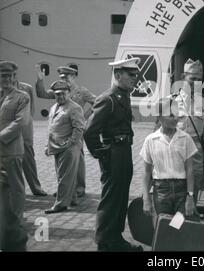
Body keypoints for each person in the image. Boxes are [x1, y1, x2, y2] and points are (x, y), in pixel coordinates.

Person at [84, 57, 143, 252]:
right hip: (114, 153)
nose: (135, 78)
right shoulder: (108, 98)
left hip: (124, 151)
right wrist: (102, 154)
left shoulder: (123, 95)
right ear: (118, 75)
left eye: (136, 74)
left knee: (120, 196)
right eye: (131, 75)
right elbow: (89, 131)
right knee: (111, 198)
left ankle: (115, 238)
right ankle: (105, 240)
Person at [35, 64, 96, 197]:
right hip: (62, 130)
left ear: (74, 76)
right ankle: (64, 188)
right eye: (62, 77)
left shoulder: (82, 91)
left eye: (67, 76)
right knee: (60, 160)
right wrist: (40, 79)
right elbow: (42, 94)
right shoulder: (61, 89)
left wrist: (85, 117)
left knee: (77, 159)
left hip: (75, 130)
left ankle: (79, 188)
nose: (64, 79)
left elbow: (96, 103)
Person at [173, 58, 204, 201]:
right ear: (183, 77)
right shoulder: (171, 101)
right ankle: (174, 222)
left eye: (199, 79)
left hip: (195, 154)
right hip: (175, 151)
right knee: (174, 192)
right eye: (192, 78)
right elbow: (158, 132)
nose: (195, 83)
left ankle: (187, 220)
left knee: (192, 194)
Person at [141, 97, 197, 219]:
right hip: (161, 190)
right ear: (159, 117)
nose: (175, 118)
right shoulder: (151, 140)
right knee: (162, 227)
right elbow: (146, 172)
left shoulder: (186, 139)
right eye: (171, 115)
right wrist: (145, 198)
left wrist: (190, 196)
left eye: (177, 114)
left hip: (181, 190)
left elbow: (190, 170)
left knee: (178, 225)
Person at [44, 80, 85, 214]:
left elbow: (79, 128)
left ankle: (61, 204)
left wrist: (70, 143)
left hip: (68, 148)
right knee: (63, 175)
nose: (60, 96)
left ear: (68, 93)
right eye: (57, 94)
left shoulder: (74, 107)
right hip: (56, 147)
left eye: (62, 94)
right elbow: (51, 128)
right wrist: (47, 145)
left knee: (64, 177)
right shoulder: (54, 107)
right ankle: (72, 198)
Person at [0, 61, 30, 221]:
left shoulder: (22, 97)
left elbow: (21, 122)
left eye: (7, 75)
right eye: (2, 75)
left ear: (14, 77)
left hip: (11, 150)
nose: (5, 79)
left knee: (15, 186)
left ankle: (17, 219)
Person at [12, 69, 47, 197]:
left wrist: (27, 123)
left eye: (12, 74)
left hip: (25, 127)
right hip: (6, 127)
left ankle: (36, 187)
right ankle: (13, 189)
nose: (9, 77)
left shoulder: (26, 88)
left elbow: (31, 108)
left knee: (28, 156)